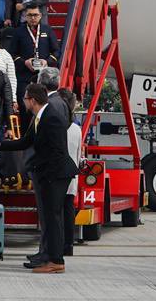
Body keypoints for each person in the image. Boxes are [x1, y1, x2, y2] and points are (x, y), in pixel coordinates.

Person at [0, 83, 76, 273]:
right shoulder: (40, 116)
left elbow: (56, 152)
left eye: (25, 98)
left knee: (53, 217)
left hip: (55, 174)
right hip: (51, 173)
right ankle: (49, 258)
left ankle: (56, 261)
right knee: (50, 218)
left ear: (32, 100)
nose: (24, 102)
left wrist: (40, 170)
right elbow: (26, 142)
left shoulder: (51, 118)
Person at [8, 3, 58, 105]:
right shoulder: (18, 32)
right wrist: (24, 62)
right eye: (30, 15)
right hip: (24, 76)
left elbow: (57, 51)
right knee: (24, 106)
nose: (33, 18)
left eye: (35, 15)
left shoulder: (47, 30)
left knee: (43, 106)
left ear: (40, 16)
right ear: (25, 16)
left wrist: (47, 61)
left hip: (44, 77)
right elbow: (12, 54)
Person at [57, 87, 83, 254]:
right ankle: (68, 245)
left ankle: (57, 245)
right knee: (68, 211)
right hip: (71, 176)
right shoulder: (76, 128)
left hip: (57, 176)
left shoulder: (56, 125)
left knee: (55, 213)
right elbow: (79, 154)